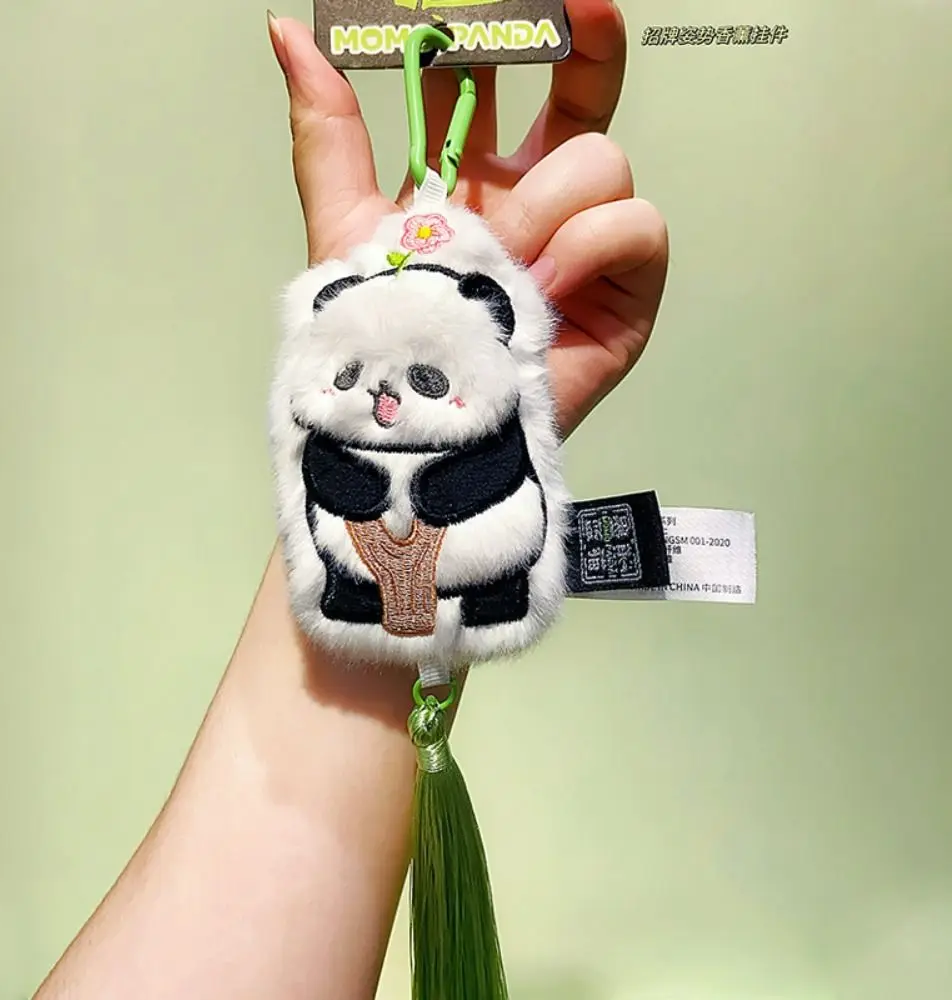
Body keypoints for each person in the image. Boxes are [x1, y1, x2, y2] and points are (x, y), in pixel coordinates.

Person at [34, 3, 667, 997]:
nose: (384, 402)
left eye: (420, 382)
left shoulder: (489, 406)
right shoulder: (341, 441)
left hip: (472, 543)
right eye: (360, 381)